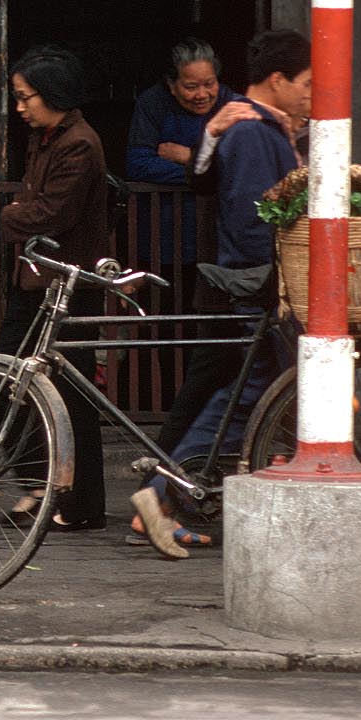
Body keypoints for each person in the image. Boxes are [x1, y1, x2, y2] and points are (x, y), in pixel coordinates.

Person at [129, 27, 312, 559]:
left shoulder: (253, 125)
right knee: (246, 399)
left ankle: (163, 495)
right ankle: (163, 492)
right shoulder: (252, 133)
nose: (309, 92)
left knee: (242, 397)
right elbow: (257, 220)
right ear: (276, 80)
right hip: (260, 288)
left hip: (256, 288)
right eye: (304, 82)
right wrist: (281, 276)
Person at [0, 45, 110, 532]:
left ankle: (82, 504)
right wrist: (24, 211)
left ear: (53, 96)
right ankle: (42, 483)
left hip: (70, 283)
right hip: (37, 279)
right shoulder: (46, 137)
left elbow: (48, 212)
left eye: (26, 97)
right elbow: (34, 203)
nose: (19, 107)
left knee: (73, 394)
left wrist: (10, 214)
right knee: (3, 374)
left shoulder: (79, 143)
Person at [125, 38, 243, 456]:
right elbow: (137, 164)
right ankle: (163, 413)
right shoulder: (152, 105)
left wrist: (185, 156)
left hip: (218, 245)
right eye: (191, 86)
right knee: (161, 326)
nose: (202, 94)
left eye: (208, 84)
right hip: (164, 239)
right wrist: (203, 170)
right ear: (172, 85)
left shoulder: (233, 105)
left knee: (208, 331)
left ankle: (204, 427)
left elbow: (235, 165)